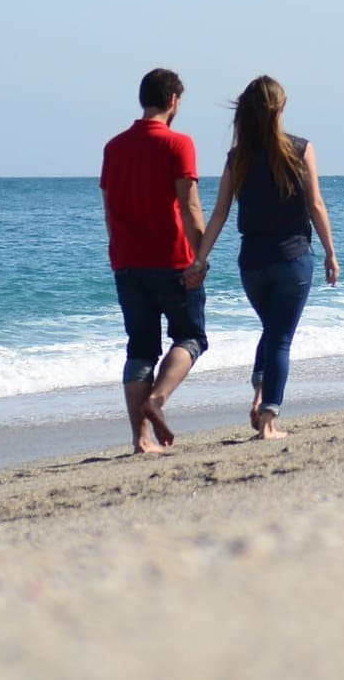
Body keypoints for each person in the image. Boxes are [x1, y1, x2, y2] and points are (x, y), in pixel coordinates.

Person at [194, 76, 341, 440]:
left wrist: (200, 257)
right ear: (281, 108)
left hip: (252, 263)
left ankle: (260, 394)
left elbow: (219, 214)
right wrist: (330, 253)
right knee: (279, 338)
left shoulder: (237, 157)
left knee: (272, 330)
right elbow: (316, 205)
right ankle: (269, 421)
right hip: (293, 258)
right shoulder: (301, 148)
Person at [100, 68, 208, 455]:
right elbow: (190, 204)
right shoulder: (179, 144)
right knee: (191, 337)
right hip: (173, 260)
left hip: (127, 261)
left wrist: (118, 251)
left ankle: (140, 440)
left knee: (140, 349)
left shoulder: (114, 147)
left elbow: (109, 207)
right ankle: (158, 399)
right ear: (174, 101)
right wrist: (201, 255)